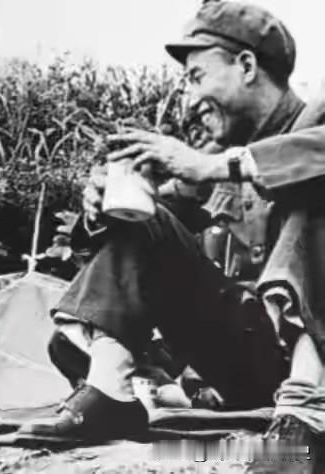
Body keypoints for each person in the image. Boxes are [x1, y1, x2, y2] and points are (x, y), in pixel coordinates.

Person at [20, 0, 325, 448]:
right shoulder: (208, 167)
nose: (191, 99)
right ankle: (110, 392)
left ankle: (307, 400)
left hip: (316, 367)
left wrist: (219, 166)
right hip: (251, 362)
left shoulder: (312, 124)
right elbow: (147, 234)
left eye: (197, 77)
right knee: (146, 219)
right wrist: (103, 210)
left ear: (246, 66)